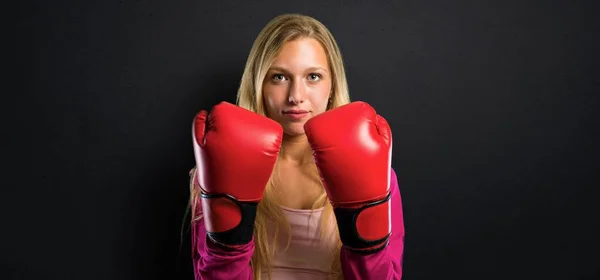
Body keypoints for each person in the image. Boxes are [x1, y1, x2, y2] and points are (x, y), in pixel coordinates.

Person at [188, 13, 404, 279]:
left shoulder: (377, 175)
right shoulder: (215, 170)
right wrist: (229, 243)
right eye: (279, 77)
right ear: (259, 83)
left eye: (313, 76)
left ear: (332, 85)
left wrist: (365, 246)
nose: (296, 97)